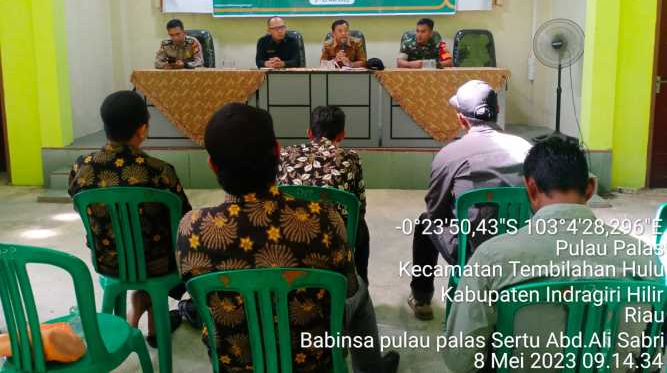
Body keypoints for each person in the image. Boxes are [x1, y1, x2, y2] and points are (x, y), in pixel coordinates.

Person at [176, 103, 399, 373]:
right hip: (314, 362)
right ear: (277, 151)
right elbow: (347, 289)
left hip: (237, 364)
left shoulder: (190, 229)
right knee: (360, 291)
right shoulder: (325, 219)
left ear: (212, 164)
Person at [442, 137, 664, 372]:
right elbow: (651, 362)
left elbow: (460, 360)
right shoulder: (644, 258)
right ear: (590, 188)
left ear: (531, 188)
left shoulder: (491, 258)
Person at [68, 90, 192, 346]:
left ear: (105, 126)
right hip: (157, 265)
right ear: (143, 128)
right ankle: (154, 315)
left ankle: (139, 310)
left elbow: (79, 208)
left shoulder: (82, 166)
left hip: (109, 261)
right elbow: (184, 218)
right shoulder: (160, 171)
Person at [408, 80, 532, 320]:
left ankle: (421, 298)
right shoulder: (526, 148)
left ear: (462, 120)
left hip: (471, 253)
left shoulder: (450, 154)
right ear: (497, 113)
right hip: (521, 248)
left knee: (425, 223)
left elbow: (435, 210)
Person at [279, 106, 371, 285]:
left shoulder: (285, 154)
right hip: (335, 240)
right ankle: (360, 283)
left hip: (288, 235)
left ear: (309, 133)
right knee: (361, 227)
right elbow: (359, 206)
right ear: (342, 134)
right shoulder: (351, 158)